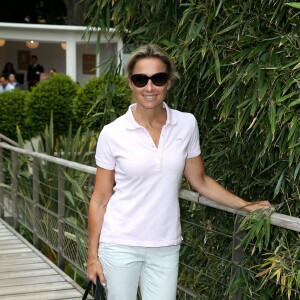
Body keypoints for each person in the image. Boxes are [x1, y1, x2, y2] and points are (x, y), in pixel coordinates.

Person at [87, 44, 273, 300]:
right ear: (131, 83)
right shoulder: (113, 132)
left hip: (166, 245)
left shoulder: (186, 124)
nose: (149, 88)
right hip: (120, 243)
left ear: (169, 82)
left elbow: (201, 180)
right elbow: (100, 198)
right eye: (141, 79)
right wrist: (92, 258)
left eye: (158, 79)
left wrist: (246, 206)